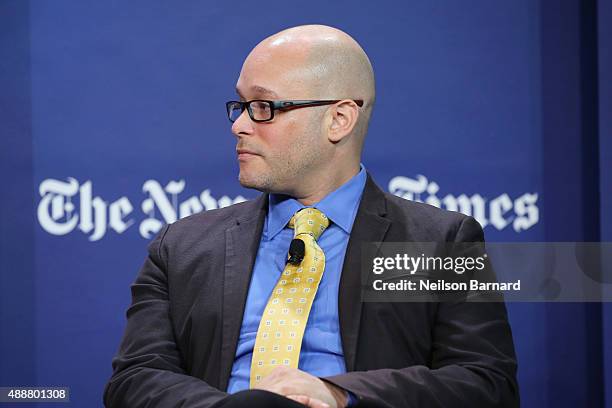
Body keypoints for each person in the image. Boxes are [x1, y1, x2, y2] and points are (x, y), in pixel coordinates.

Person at [104, 24, 518, 408]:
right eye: (241, 105)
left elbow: (485, 383)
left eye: (264, 106)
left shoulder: (439, 242)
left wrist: (339, 395)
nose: (240, 126)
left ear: (339, 119)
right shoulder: (181, 247)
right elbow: (135, 378)